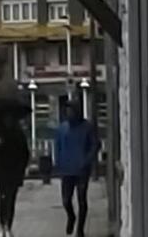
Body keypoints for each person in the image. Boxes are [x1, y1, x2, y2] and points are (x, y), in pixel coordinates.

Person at [54, 101, 100, 237]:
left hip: (81, 170)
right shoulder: (62, 128)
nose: (69, 114)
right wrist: (58, 162)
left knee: (81, 199)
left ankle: (80, 228)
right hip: (67, 169)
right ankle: (71, 216)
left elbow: (95, 145)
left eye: (71, 111)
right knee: (66, 200)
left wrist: (86, 160)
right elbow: (58, 146)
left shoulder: (87, 127)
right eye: (67, 111)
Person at [0, 113, 30, 237]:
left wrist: (22, 168)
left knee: (11, 199)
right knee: (3, 198)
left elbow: (25, 153)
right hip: (2, 171)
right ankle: (3, 225)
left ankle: (9, 225)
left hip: (14, 171)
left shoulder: (18, 134)